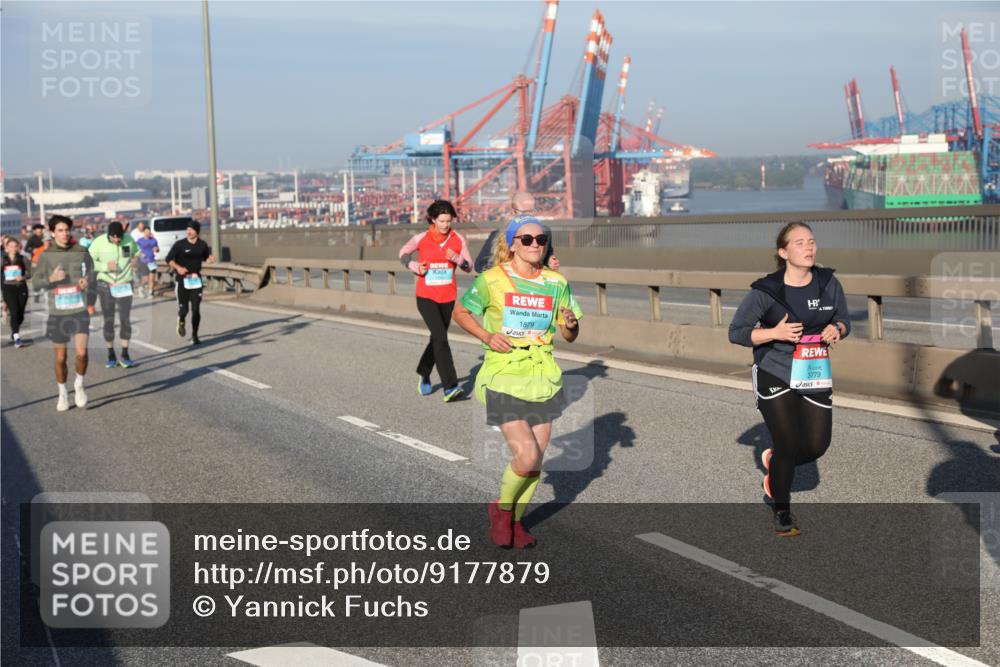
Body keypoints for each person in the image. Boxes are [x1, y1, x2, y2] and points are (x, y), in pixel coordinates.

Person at [453, 214, 582, 549]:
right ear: (511, 244)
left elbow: (570, 335)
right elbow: (461, 312)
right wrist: (487, 335)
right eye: (526, 239)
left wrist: (568, 322)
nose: (535, 245)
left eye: (541, 239)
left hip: (541, 375)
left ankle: (516, 522)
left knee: (535, 462)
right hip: (504, 373)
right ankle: (501, 511)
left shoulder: (556, 282)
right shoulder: (493, 280)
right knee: (525, 457)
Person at [728, 222, 851, 537]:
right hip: (775, 371)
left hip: (814, 370)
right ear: (783, 253)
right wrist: (774, 333)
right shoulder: (766, 291)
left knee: (816, 446)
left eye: (811, 241)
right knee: (786, 443)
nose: (809, 247)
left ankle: (774, 463)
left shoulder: (828, 282)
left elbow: (844, 319)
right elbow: (737, 332)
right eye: (799, 243)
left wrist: (837, 328)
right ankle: (782, 509)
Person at [398, 200, 473, 401]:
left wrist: (457, 259)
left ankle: (424, 372)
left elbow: (469, 266)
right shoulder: (421, 238)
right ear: (433, 219)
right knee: (441, 338)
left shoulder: (458, 239)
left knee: (436, 338)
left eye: (448, 221)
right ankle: (451, 387)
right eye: (442, 221)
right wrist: (414, 266)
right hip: (426, 297)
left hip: (448, 297)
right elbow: (403, 253)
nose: (445, 225)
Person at [31, 215, 97, 411]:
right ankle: (62, 392)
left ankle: (79, 384)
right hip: (58, 312)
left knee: (82, 353)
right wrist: (51, 278)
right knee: (60, 358)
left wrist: (87, 278)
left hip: (79, 309)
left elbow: (93, 270)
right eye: (60, 230)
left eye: (67, 229)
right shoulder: (46, 254)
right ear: (52, 232)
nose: (65, 233)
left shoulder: (81, 250)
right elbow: (35, 283)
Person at [89, 222, 140, 368]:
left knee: (125, 319)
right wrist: (105, 266)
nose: (117, 240)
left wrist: (135, 259)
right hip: (106, 285)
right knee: (109, 320)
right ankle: (111, 354)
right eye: (114, 238)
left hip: (124, 284)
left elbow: (136, 252)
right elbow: (88, 261)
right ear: (108, 235)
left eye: (119, 238)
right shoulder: (98, 243)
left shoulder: (129, 240)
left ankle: (125, 354)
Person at [473, 192, 560, 273]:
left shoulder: (545, 232)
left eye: (532, 211)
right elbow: (480, 266)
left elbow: (547, 254)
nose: (529, 216)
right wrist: (506, 270)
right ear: (513, 212)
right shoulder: (497, 235)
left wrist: (550, 261)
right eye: (525, 212)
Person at [165, 220, 214, 345]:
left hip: (196, 281)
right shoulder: (179, 244)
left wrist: (210, 259)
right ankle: (181, 320)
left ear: (197, 231)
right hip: (182, 281)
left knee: (196, 310)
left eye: (191, 229)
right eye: (187, 229)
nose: (188, 231)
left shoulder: (202, 245)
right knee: (184, 310)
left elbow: (206, 257)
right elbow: (169, 259)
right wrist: (178, 268)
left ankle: (195, 335)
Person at [2, 236, 30, 347]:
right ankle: (17, 337)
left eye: (15, 246)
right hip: (8, 289)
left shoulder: (23, 259)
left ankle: (14, 331)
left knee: (20, 314)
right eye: (11, 246)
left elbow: (31, 273)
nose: (13, 248)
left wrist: (23, 277)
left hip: (21, 288)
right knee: (14, 312)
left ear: (18, 247)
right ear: (6, 247)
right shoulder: (2, 260)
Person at [135, 226, 159, 299]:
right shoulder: (140, 240)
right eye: (146, 232)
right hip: (143, 261)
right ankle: (140, 288)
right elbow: (136, 250)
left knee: (152, 278)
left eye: (148, 232)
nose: (147, 233)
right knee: (145, 278)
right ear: (143, 232)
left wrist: (156, 249)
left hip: (152, 261)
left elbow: (157, 249)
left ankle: (150, 293)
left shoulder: (154, 240)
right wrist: (140, 253)